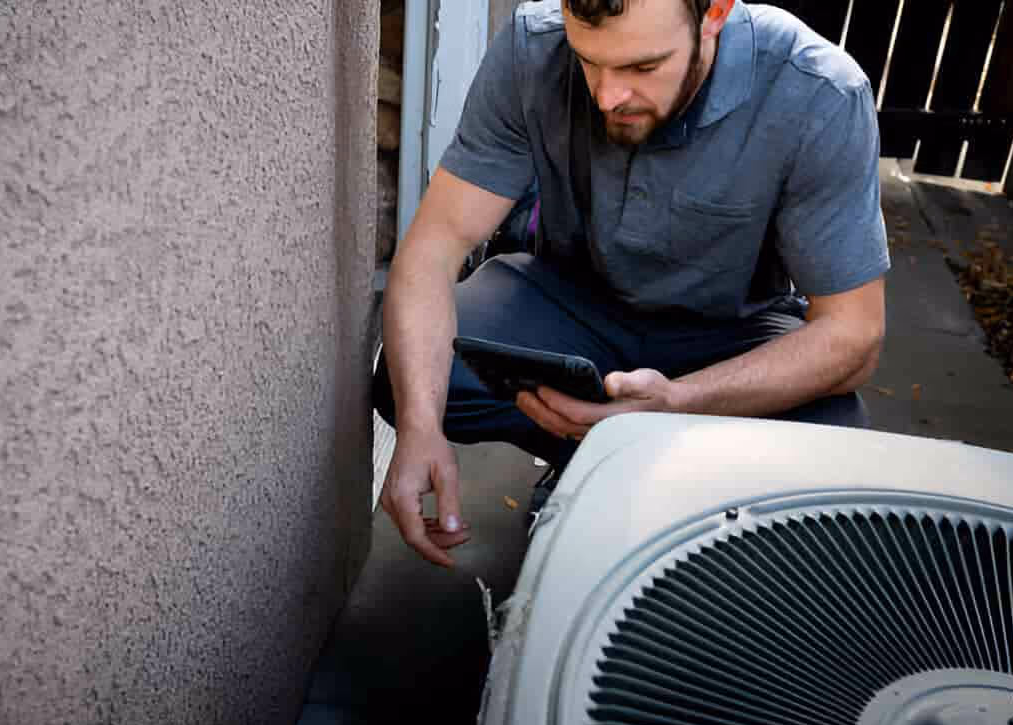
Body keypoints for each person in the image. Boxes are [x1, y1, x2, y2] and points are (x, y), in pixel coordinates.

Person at [375, 0, 890, 567]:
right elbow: (433, 248)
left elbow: (854, 334)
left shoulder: (818, 90)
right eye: (589, 61)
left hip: (731, 336)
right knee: (414, 378)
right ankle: (598, 462)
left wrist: (681, 402)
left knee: (829, 452)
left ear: (714, 13)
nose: (607, 96)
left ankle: (647, 487)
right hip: (573, 310)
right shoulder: (533, 46)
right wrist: (420, 429)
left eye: (643, 67)